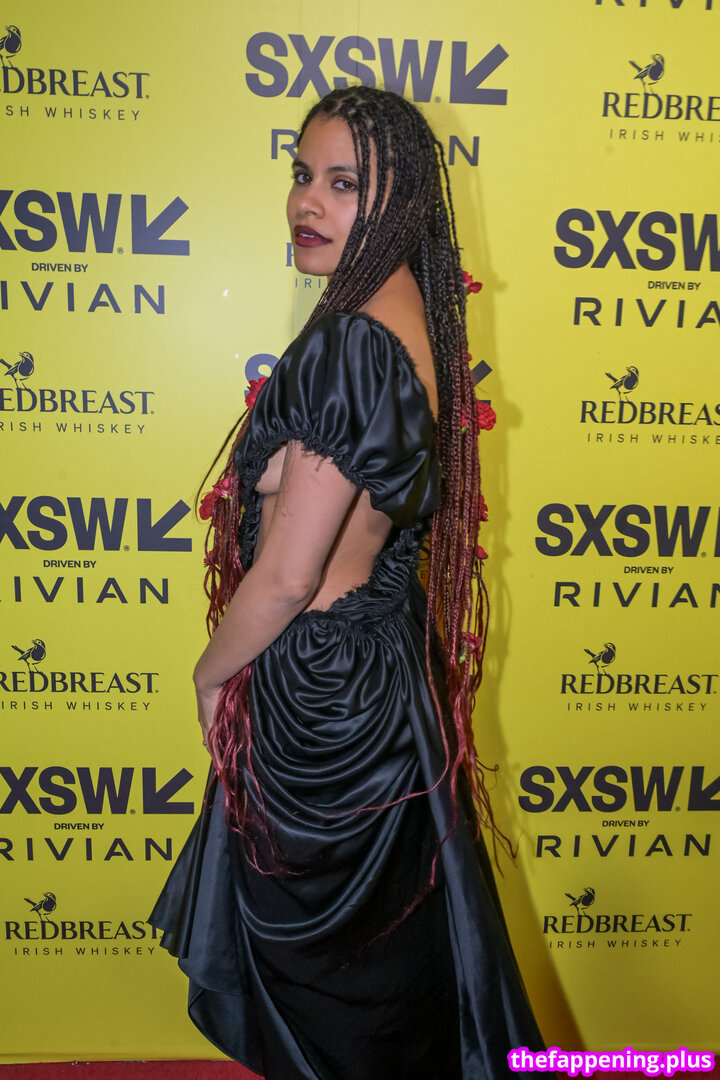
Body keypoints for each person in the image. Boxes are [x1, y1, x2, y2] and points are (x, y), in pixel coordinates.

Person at [149, 85, 543, 1080]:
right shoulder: (400, 316)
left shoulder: (353, 341)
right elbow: (341, 495)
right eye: (301, 175)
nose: (306, 202)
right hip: (373, 672)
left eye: (343, 183)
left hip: (322, 705)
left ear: (399, 201)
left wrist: (208, 675)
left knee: (327, 990)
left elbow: (287, 577)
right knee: (377, 972)